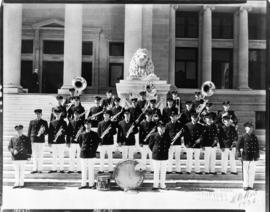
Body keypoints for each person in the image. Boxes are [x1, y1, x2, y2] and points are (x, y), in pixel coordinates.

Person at [236, 122, 260, 191]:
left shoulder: (254, 137)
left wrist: (257, 155)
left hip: (253, 157)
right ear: (246, 128)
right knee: (245, 172)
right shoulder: (242, 137)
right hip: (245, 157)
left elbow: (257, 147)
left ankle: (250, 185)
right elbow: (238, 146)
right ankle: (245, 185)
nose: (251, 129)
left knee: (252, 172)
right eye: (249, 127)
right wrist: (239, 156)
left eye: (252, 127)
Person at [77, 119, 99, 189]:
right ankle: (83, 184)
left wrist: (93, 151)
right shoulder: (81, 134)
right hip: (83, 153)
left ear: (91, 125)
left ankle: (91, 184)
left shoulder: (95, 134)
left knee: (91, 169)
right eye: (87, 124)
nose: (88, 126)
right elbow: (80, 143)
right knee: (83, 169)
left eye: (89, 124)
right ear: (84, 125)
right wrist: (84, 149)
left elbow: (96, 143)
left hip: (91, 153)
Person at [149, 121, 171, 190]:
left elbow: (168, 145)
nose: (162, 129)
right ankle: (155, 185)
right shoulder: (153, 135)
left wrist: (164, 150)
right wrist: (155, 151)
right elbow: (150, 145)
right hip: (156, 156)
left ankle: (162, 185)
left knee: (163, 171)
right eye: (160, 128)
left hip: (164, 155)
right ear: (158, 128)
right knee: (156, 171)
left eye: (163, 128)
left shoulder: (167, 135)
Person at [28, 109, 48, 174]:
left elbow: (47, 132)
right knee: (34, 155)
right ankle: (34, 169)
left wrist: (43, 131)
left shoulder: (44, 122)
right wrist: (28, 141)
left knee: (40, 155)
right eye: (37, 114)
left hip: (41, 140)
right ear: (35, 115)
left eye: (39, 114)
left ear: (41, 114)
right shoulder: (32, 121)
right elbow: (29, 132)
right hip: (34, 140)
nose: (38, 115)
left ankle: (40, 169)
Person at [48, 108, 68, 173]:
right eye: (56, 114)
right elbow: (50, 133)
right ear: (54, 114)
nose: (57, 115)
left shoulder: (64, 122)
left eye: (59, 113)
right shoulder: (51, 122)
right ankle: (54, 169)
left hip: (61, 141)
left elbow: (66, 131)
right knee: (54, 156)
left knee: (61, 155)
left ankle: (61, 169)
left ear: (61, 114)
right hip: (54, 142)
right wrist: (49, 141)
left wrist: (62, 132)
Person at [66, 109, 84, 174]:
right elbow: (68, 133)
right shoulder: (71, 122)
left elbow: (84, 133)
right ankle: (71, 169)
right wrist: (67, 142)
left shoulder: (82, 122)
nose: (76, 115)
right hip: (72, 141)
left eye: (78, 114)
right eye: (75, 114)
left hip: (79, 142)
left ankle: (79, 169)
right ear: (73, 115)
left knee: (79, 156)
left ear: (79, 115)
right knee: (71, 156)